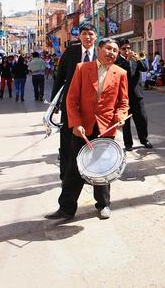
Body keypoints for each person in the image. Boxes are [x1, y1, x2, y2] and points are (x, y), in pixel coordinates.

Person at [45, 38, 129, 220]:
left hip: (106, 129)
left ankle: (103, 205)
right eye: (108, 49)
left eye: (115, 51)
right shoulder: (82, 69)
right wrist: (76, 123)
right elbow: (72, 99)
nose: (112, 53)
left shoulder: (120, 73)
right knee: (75, 168)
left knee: (103, 169)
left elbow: (123, 102)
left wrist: (121, 117)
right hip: (82, 128)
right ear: (99, 49)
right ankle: (66, 208)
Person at [51, 23, 97, 181]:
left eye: (91, 34)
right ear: (79, 36)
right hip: (71, 105)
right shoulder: (71, 52)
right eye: (84, 34)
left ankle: (90, 174)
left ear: (95, 37)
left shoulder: (101, 53)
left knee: (91, 140)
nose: (88, 37)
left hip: (93, 107)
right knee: (67, 142)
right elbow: (60, 77)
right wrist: (54, 104)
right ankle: (65, 175)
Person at [116, 38, 152, 150]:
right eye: (124, 48)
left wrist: (137, 59)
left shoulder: (135, 58)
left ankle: (144, 139)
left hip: (137, 95)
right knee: (126, 123)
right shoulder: (117, 61)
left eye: (128, 48)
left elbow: (145, 68)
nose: (127, 50)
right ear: (119, 50)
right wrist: (127, 60)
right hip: (123, 97)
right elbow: (125, 73)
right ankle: (128, 144)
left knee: (142, 119)